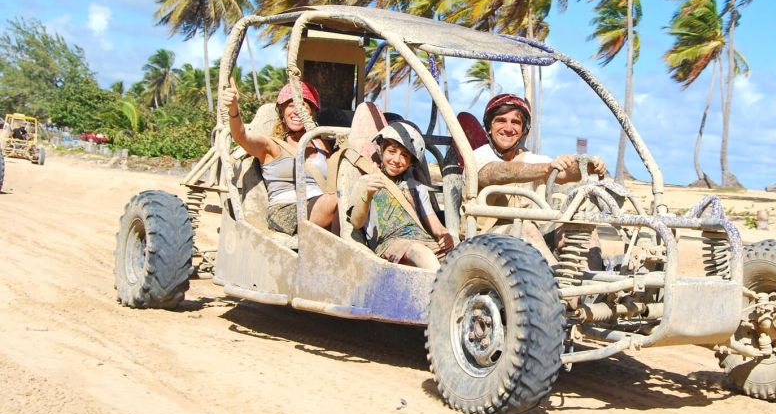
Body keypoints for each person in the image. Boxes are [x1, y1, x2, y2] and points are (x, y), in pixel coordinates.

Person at [475, 93, 606, 265]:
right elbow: (495, 172)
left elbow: (563, 174)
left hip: (531, 231)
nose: (508, 128)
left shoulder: (531, 158)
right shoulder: (478, 156)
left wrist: (588, 166)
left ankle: (593, 278)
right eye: (501, 121)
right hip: (485, 239)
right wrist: (546, 169)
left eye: (515, 122)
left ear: (524, 130)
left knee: (579, 228)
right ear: (489, 127)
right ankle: (555, 281)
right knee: (526, 229)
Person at [222, 81, 338, 235]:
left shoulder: (321, 144)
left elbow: (334, 181)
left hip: (322, 204)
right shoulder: (272, 146)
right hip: (286, 209)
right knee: (338, 200)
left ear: (312, 112)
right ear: (282, 112)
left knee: (351, 199)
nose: (296, 111)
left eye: (303, 106)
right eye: (291, 105)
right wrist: (233, 109)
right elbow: (241, 136)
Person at [348, 121, 454, 271]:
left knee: (462, 253)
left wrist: (445, 235)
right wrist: (368, 195)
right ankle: (439, 286)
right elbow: (356, 223)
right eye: (391, 151)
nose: (396, 160)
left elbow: (435, 225)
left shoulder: (416, 188)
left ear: (410, 162)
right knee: (420, 252)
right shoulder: (366, 182)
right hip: (390, 245)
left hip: (424, 243)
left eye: (404, 155)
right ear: (382, 151)